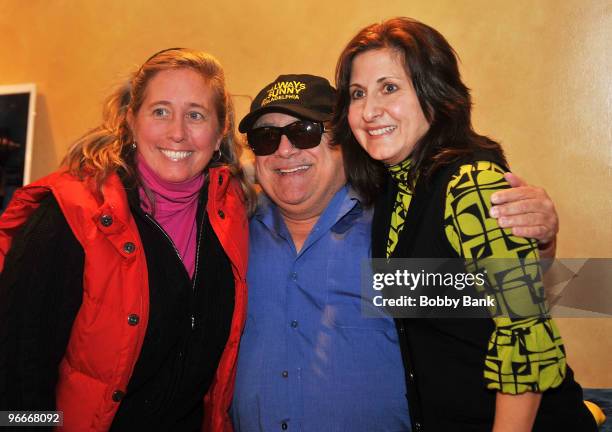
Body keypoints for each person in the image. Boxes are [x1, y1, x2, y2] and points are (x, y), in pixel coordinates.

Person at [231, 74, 560, 431]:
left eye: (305, 132)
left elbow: (501, 302)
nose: (284, 150)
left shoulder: (391, 231)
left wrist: (536, 237)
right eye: (265, 138)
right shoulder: (234, 233)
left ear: (344, 140)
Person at [333, 17, 597, 431]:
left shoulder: (471, 183)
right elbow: (466, 298)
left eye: (390, 87)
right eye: (357, 93)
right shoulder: (393, 188)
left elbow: (525, 332)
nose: (369, 110)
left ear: (434, 92)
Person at [0, 48, 253, 431]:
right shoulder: (68, 217)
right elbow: (16, 376)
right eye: (160, 111)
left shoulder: (234, 216)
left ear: (219, 134)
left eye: (196, 115)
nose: (178, 132)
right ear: (132, 123)